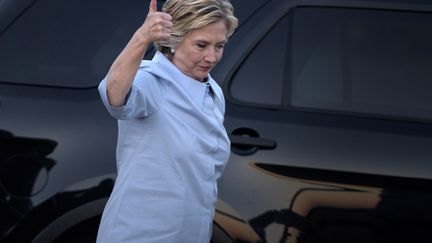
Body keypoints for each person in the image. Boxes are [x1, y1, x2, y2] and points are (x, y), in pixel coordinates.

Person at [96, 0, 238, 242]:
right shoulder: (151, 80)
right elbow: (114, 96)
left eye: (220, 45)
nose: (211, 57)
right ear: (174, 40)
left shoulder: (212, 91)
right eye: (201, 45)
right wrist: (142, 37)